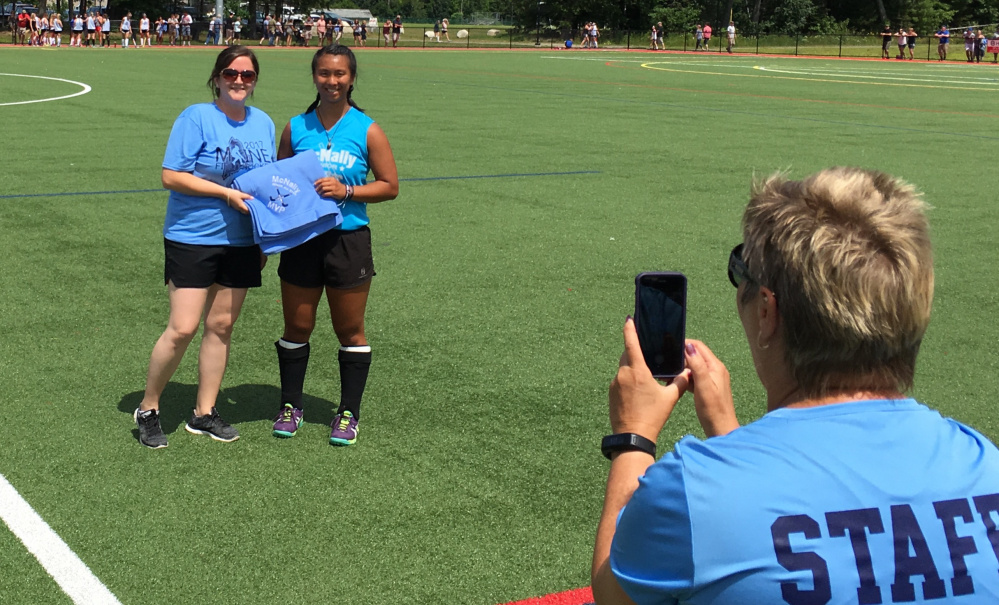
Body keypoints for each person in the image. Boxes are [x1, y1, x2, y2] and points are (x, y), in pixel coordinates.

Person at [591, 167, 999, 604]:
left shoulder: (695, 492)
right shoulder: (984, 465)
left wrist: (634, 435)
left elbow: (615, 592)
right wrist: (731, 436)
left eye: (740, 270)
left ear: (767, 311)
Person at [133, 46, 275, 449]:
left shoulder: (262, 122)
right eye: (231, 73)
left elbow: (265, 183)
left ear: (255, 81)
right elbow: (171, 176)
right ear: (217, 77)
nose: (238, 81)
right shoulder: (196, 117)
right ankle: (148, 408)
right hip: (192, 236)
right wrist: (224, 194)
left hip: (242, 240)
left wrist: (265, 237)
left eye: (247, 75)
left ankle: (204, 412)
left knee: (221, 327)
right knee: (182, 328)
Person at [271, 44, 399, 445]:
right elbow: (279, 183)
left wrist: (347, 190)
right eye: (325, 73)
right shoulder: (296, 126)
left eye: (340, 74)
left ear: (352, 78)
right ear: (314, 77)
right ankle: (291, 406)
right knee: (297, 325)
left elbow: (390, 186)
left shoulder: (367, 129)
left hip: (348, 241)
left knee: (350, 329)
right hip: (302, 241)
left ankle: (348, 413)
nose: (332, 81)